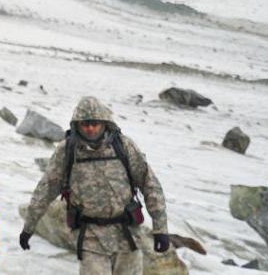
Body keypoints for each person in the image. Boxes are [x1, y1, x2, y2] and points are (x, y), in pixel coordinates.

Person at [19, 96, 170, 274]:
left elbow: (150, 185)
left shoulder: (124, 146)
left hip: (128, 235)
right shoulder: (67, 151)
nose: (90, 128)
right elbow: (45, 190)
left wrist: (161, 229)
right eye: (85, 123)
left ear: (105, 123)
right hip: (90, 237)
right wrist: (29, 227)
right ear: (77, 125)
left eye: (95, 123)